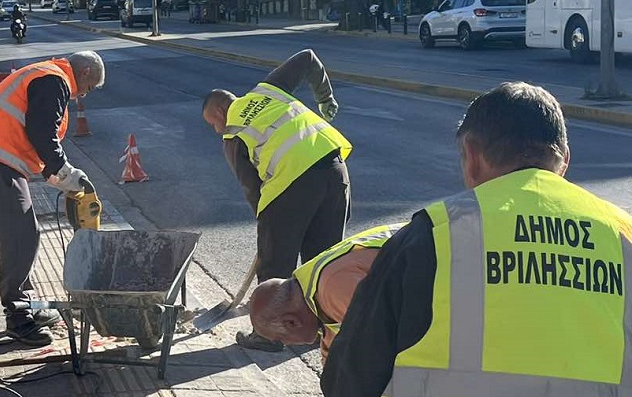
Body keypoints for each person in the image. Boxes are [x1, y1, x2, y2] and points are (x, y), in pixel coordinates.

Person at [321, 81, 632, 397]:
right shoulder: (624, 234)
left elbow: (350, 376)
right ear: (564, 159)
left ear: (471, 155)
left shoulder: (432, 235)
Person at [202, 49, 353, 352]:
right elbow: (308, 58)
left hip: (291, 183)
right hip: (334, 168)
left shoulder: (233, 134)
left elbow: (252, 189)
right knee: (323, 258)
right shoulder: (268, 90)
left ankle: (268, 335)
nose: (216, 129)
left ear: (219, 113)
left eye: (212, 124)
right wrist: (324, 97)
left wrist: (268, 236)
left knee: (275, 265)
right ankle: (322, 328)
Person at [0, 51, 105, 346]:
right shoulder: (55, 80)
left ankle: (24, 305)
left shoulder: (46, 73)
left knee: (23, 234)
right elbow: (42, 133)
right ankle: (17, 317)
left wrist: (57, 175)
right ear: (86, 71)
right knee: (22, 236)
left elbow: (34, 131)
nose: (84, 96)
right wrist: (64, 173)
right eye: (89, 87)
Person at [249, 223, 405, 365]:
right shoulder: (317, 298)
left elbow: (385, 344)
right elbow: (335, 362)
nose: (286, 343)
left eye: (281, 339)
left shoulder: (334, 287)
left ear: (291, 322)